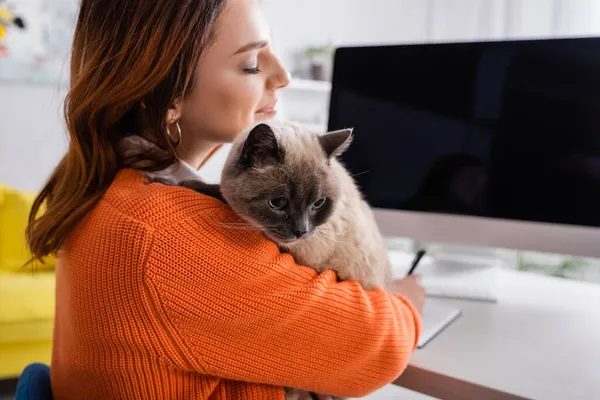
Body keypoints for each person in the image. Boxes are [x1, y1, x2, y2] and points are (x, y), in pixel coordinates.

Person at [26, 0, 425, 399]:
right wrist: (408, 298)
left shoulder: (112, 191)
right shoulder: (165, 235)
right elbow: (378, 349)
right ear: (167, 96)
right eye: (252, 63)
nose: (283, 76)